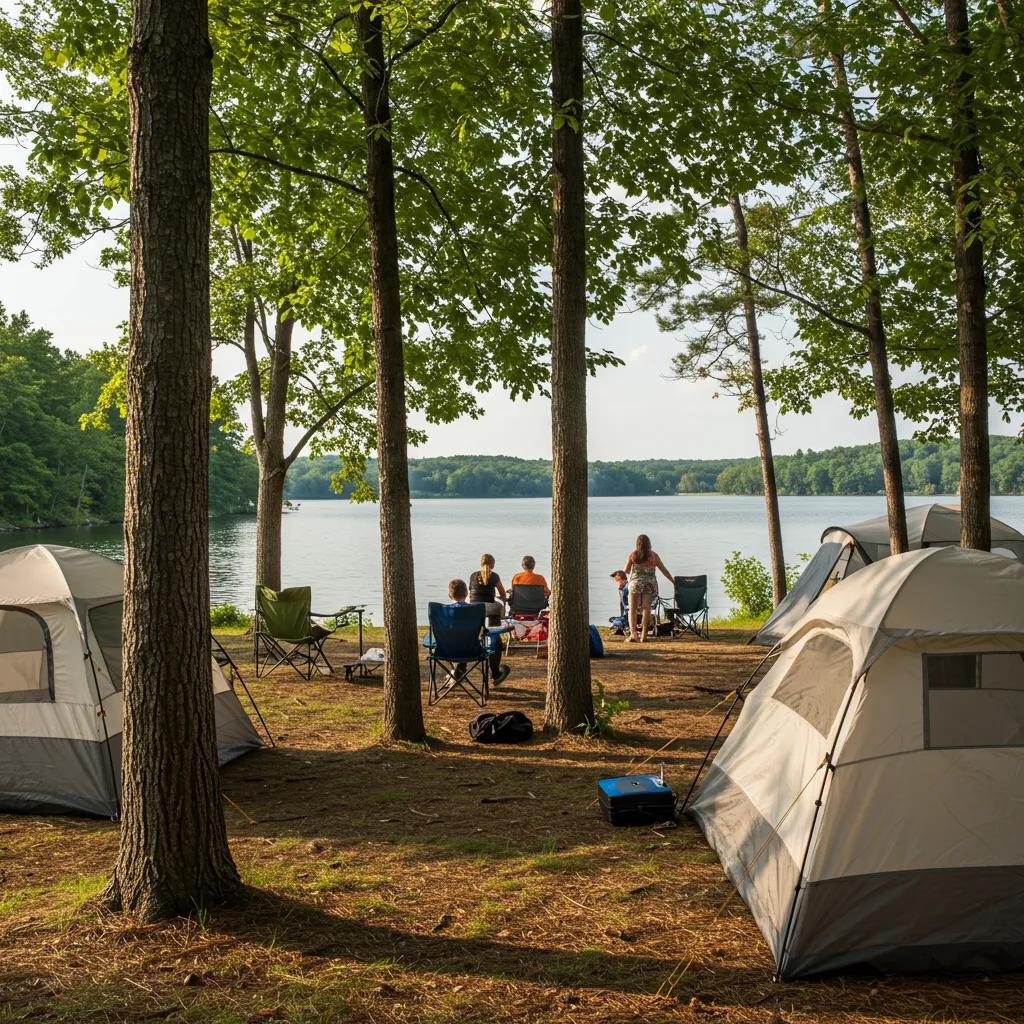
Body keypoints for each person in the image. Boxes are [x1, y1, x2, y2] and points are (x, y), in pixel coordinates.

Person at [467, 555, 511, 684]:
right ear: (492, 564)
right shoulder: (494, 575)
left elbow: (472, 593)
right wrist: (499, 597)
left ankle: (461, 667)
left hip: (474, 608)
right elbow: (503, 594)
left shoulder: (473, 575)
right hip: (490, 608)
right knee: (495, 625)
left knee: (474, 633)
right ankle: (495, 672)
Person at [623, 534, 673, 643]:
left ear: (637, 544)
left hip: (635, 584)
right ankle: (644, 636)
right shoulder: (654, 556)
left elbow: (625, 571)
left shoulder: (633, 555)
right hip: (649, 585)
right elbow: (664, 571)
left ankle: (633, 635)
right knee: (646, 609)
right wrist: (673, 582)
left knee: (632, 609)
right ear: (649, 544)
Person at [609, 569, 629, 635]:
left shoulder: (626, 589)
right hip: (627, 615)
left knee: (615, 620)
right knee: (612, 619)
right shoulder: (622, 589)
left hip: (629, 615)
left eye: (617, 581)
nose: (617, 583)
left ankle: (621, 626)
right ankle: (620, 625)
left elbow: (626, 606)